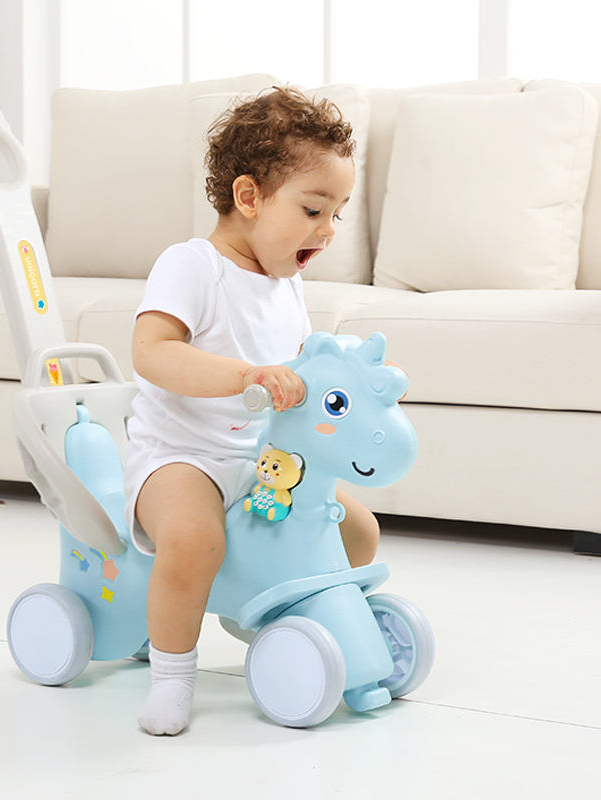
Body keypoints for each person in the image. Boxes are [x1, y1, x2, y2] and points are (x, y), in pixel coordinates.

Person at [124, 86, 380, 736]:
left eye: (337, 213)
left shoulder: (286, 285)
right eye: (313, 209)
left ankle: (307, 618)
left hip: (263, 460)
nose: (328, 229)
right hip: (182, 457)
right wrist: (245, 377)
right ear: (249, 197)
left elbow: (300, 374)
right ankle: (172, 677)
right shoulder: (192, 266)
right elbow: (152, 352)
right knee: (195, 538)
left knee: (355, 529)